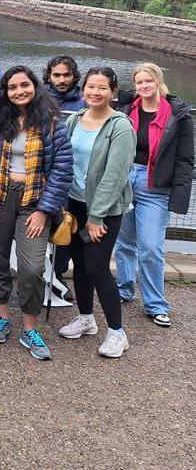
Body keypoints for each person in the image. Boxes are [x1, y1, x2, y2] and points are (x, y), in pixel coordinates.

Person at [0, 66, 71, 361]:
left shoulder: (52, 122)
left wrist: (45, 210)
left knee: (32, 267)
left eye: (24, 85)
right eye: (12, 87)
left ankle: (29, 327)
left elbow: (62, 169)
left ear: (35, 86)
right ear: (4, 92)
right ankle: (2, 316)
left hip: (34, 202)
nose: (19, 91)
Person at [58, 67, 135, 358]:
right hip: (75, 203)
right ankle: (86, 318)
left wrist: (97, 217)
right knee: (79, 264)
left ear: (112, 92)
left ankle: (117, 332)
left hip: (104, 208)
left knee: (97, 266)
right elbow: (64, 160)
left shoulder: (120, 126)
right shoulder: (75, 120)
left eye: (102, 88)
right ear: (83, 88)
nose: (95, 92)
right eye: (91, 86)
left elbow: (115, 175)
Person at [113, 63, 194, 327]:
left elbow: (185, 159)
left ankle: (156, 304)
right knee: (124, 242)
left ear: (158, 82)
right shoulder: (126, 109)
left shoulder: (178, 115)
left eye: (148, 81)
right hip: (126, 180)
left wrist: (179, 196)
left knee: (150, 247)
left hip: (155, 186)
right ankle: (125, 289)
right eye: (139, 82)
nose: (143, 87)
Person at [42, 55, 84, 297]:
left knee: (66, 229)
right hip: (45, 176)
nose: (61, 79)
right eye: (56, 75)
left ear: (74, 76)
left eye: (66, 75)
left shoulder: (83, 102)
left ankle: (58, 277)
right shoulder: (40, 100)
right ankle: (43, 277)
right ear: (49, 75)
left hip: (74, 177)